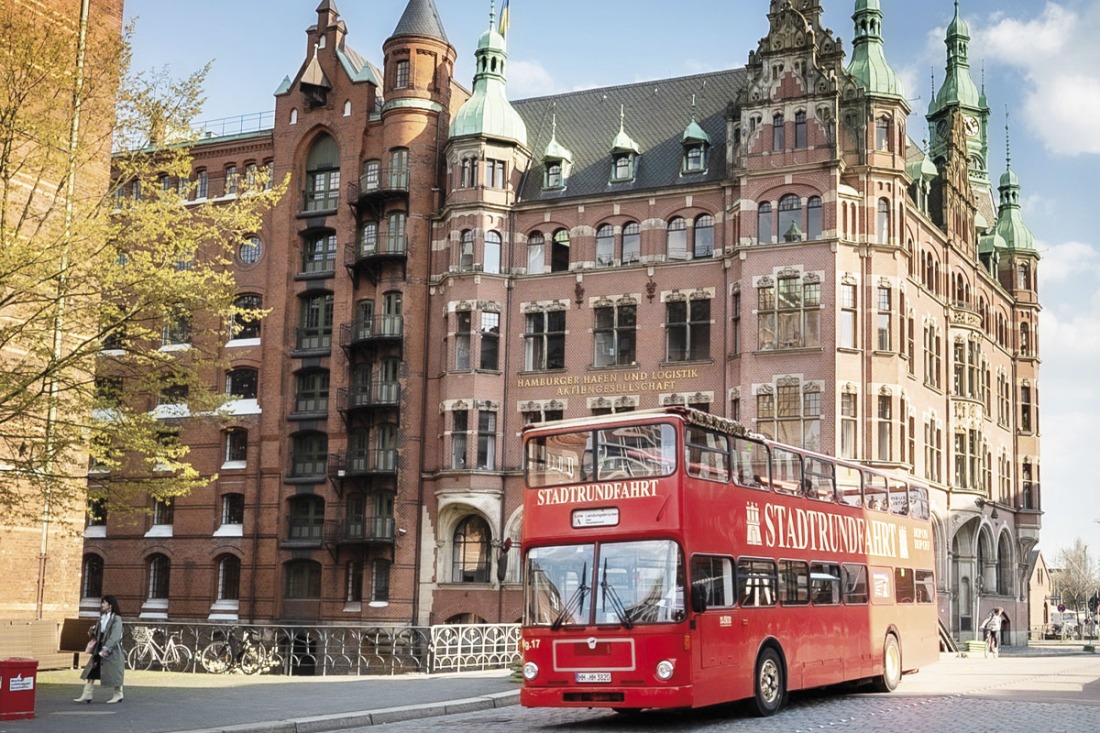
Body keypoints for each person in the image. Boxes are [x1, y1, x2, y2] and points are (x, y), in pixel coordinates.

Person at [74, 595, 125, 704]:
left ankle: (118, 694)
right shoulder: (102, 617)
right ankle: (87, 693)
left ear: (110, 605)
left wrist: (107, 648)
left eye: (104, 603)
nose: (102, 605)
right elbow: (99, 631)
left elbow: (115, 635)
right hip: (99, 647)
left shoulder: (116, 618)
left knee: (114, 672)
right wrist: (93, 630)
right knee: (92, 670)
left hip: (112, 650)